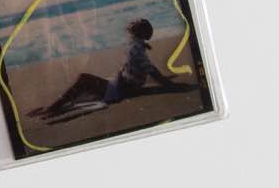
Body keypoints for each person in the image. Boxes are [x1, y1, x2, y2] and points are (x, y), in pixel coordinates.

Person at [31, 18, 184, 121]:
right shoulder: (136, 46)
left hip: (119, 90)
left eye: (133, 28)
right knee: (84, 84)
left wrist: (169, 85)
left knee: (83, 79)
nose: (129, 30)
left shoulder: (136, 48)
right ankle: (55, 106)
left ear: (136, 32)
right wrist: (166, 81)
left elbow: (150, 70)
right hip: (120, 85)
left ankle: (52, 108)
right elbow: (146, 69)